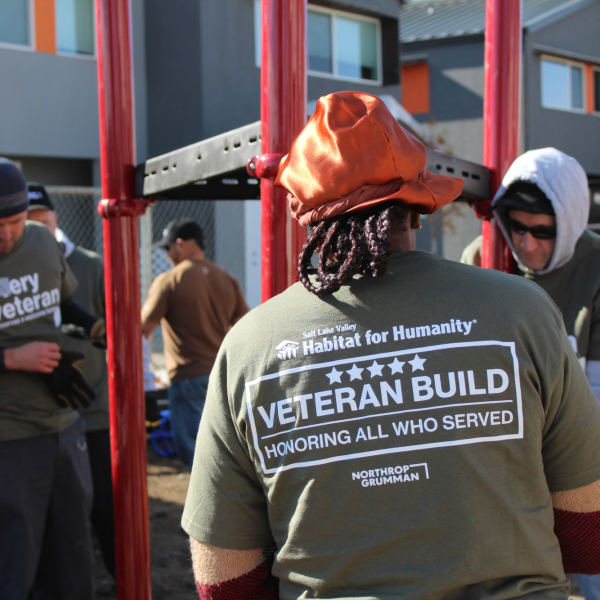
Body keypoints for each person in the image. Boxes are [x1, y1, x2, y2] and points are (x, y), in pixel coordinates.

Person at [181, 92, 600, 600]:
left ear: (307, 217)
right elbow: (587, 536)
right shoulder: (523, 310)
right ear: (418, 209)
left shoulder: (249, 347)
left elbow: (223, 577)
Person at [461, 147, 600, 598]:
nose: (525, 244)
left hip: (579, 453)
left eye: (542, 231)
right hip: (502, 464)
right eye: (516, 226)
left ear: (573, 223)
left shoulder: (596, 269)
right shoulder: (483, 256)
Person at [0, 158, 103, 598]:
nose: (6, 235)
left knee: (73, 551)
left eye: (15, 221)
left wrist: (95, 328)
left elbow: (63, 308)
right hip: (10, 435)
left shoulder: (42, 242)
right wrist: (12, 359)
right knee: (15, 557)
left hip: (64, 425)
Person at [26, 182, 116, 579]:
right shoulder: (15, 267)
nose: (36, 234)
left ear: (55, 221)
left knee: (104, 506)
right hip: (35, 408)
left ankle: (125, 577)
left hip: (91, 404)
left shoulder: (90, 264)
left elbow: (113, 330)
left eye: (41, 223)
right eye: (28, 226)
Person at [142, 219, 249, 470]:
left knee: (196, 457)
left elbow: (142, 329)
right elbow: (244, 325)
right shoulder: (226, 278)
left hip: (187, 377)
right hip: (223, 376)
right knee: (225, 453)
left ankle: (207, 508)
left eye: (168, 248)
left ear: (180, 245)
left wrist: (145, 376)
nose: (167, 254)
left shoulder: (169, 280)